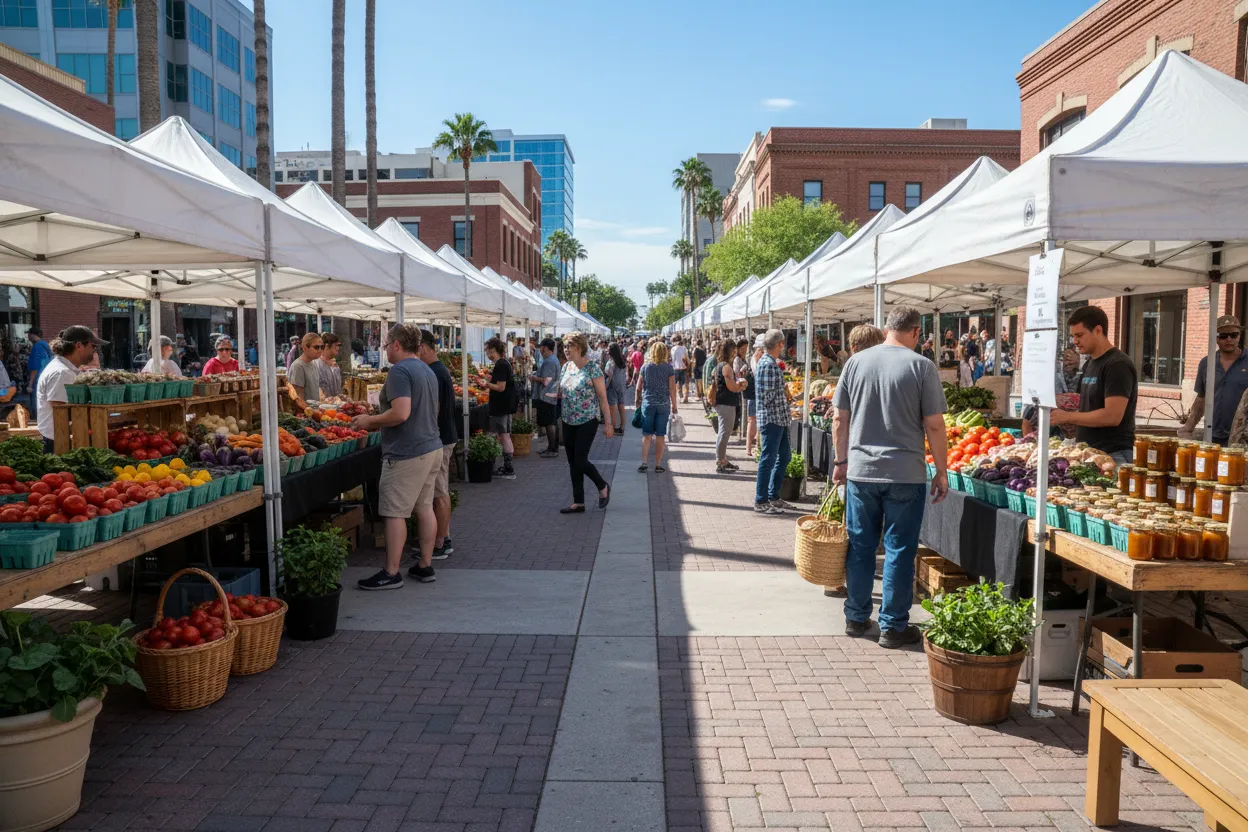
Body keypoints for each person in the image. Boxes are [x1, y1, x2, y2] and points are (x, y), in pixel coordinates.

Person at [832, 308, 948, 648]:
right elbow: (935, 425)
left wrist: (840, 461)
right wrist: (941, 471)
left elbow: (839, 419)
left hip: (862, 472)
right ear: (915, 332)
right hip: (905, 473)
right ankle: (893, 626)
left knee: (861, 546)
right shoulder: (921, 366)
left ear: (886, 329)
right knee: (899, 549)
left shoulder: (856, 363)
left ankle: (856, 617)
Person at [352, 324, 442, 590]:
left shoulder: (400, 371)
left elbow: (401, 413)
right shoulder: (426, 369)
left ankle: (391, 572)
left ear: (397, 344)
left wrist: (370, 421)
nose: (385, 350)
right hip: (431, 446)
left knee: (394, 513)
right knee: (424, 507)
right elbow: (433, 409)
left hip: (407, 452)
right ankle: (425, 565)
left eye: (386, 344)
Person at [1049, 305, 1137, 465]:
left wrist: (1068, 416)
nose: (1075, 341)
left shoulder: (1117, 364)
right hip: (1089, 453)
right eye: (1073, 336)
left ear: (1097, 330)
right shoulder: (1090, 364)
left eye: (1079, 335)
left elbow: (1112, 416)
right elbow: (1090, 408)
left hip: (1113, 454)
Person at [558, 332, 613, 512]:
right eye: (565, 346)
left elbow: (602, 397)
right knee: (572, 462)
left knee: (580, 461)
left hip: (587, 419)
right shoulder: (566, 367)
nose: (566, 350)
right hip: (567, 418)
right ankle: (579, 502)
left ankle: (602, 486)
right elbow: (563, 389)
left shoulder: (593, 369)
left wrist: (608, 423)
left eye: (569, 346)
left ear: (579, 348)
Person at [417, 329, 457, 561]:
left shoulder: (434, 372)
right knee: (439, 490)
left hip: (440, 438)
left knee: (440, 491)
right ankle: (442, 537)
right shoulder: (439, 370)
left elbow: (435, 409)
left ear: (423, 347)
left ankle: (442, 541)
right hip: (444, 436)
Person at [1179, 315, 1248, 445]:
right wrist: (1188, 428)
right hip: (1213, 436)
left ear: (1239, 336)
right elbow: (1201, 399)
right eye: (1223, 335)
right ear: (1215, 338)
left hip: (1243, 439)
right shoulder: (1206, 363)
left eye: (1233, 335)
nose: (1229, 339)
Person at [36, 326, 106, 453]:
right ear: (79, 346)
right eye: (93, 346)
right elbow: (61, 412)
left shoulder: (65, 369)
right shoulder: (62, 373)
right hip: (59, 443)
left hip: (60, 439)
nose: (95, 351)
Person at [754, 329, 793, 514]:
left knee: (784, 456)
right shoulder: (768, 364)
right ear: (780, 344)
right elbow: (767, 397)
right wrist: (782, 391)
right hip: (772, 419)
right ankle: (761, 500)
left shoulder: (769, 363)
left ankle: (773, 496)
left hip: (778, 418)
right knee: (768, 459)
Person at [636, 341, 677, 472]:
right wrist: (674, 405)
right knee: (660, 435)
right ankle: (658, 465)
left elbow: (638, 387)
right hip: (663, 404)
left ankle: (644, 462)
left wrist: (637, 400)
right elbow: (672, 388)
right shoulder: (669, 368)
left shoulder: (645, 367)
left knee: (647, 435)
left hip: (648, 404)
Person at [711, 340, 748, 473]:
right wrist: (742, 385)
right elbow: (732, 387)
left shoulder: (720, 365)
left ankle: (723, 459)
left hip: (723, 402)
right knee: (724, 432)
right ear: (730, 351)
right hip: (726, 402)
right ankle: (720, 461)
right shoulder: (726, 366)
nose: (735, 352)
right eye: (734, 350)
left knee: (724, 431)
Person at [483, 337, 517, 479]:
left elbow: (501, 387)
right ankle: (508, 467)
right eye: (487, 351)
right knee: (505, 435)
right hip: (505, 405)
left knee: (503, 435)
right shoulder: (503, 363)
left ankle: (508, 468)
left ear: (496, 350)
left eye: (490, 351)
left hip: (501, 406)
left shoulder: (501, 365)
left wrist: (486, 384)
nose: (488, 354)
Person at [531, 337, 561, 457]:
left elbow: (546, 381)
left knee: (549, 423)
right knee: (551, 422)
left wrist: (534, 378)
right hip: (550, 395)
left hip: (547, 395)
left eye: (541, 348)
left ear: (545, 348)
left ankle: (552, 449)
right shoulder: (553, 359)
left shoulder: (549, 361)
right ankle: (552, 447)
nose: (540, 351)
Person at [287, 332, 323, 402]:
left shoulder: (313, 363)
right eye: (316, 347)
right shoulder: (298, 366)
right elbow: (298, 397)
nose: (320, 350)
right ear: (305, 348)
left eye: (322, 347)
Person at [25, 327, 51, 418]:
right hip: (46, 378)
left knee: (37, 405)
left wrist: (30, 385)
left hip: (37, 380)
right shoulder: (45, 345)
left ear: (32, 335)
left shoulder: (37, 347)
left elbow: (35, 367)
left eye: (28, 334)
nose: (28, 337)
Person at [604, 343, 628, 436]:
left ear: (612, 351)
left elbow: (609, 375)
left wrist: (605, 386)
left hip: (612, 385)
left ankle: (613, 428)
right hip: (621, 385)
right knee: (621, 406)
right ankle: (622, 427)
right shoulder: (621, 361)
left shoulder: (611, 362)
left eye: (608, 348)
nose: (607, 349)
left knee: (612, 408)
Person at [315, 333, 343, 398]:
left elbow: (337, 392)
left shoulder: (335, 366)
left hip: (335, 403)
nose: (338, 348)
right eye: (336, 345)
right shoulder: (316, 365)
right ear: (327, 346)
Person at [670, 335, 689, 403]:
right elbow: (687, 359)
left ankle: (680, 397)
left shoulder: (673, 349)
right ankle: (685, 397)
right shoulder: (684, 348)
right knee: (684, 383)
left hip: (675, 368)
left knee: (676, 384)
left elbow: (673, 359)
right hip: (683, 367)